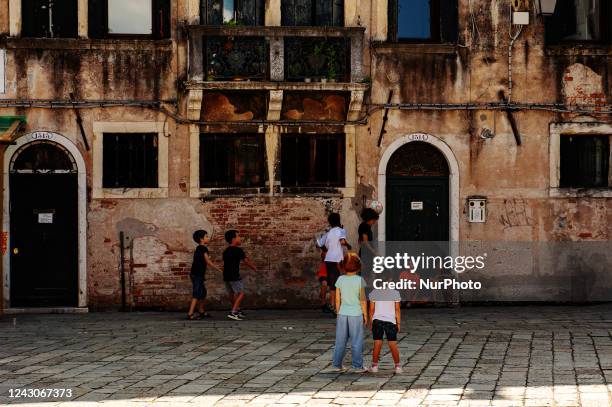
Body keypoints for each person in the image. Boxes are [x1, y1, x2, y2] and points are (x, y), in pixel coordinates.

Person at [330, 252, 367, 372]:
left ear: (343, 266)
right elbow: (362, 299)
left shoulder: (340, 279)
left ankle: (336, 365)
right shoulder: (360, 280)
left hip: (342, 313)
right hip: (356, 314)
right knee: (356, 341)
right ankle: (357, 366)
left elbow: (337, 298)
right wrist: (365, 314)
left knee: (340, 340)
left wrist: (338, 312)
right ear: (358, 266)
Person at [317, 213, 351, 315]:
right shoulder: (341, 230)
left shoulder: (328, 233)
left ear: (330, 222)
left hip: (328, 259)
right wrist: (348, 245)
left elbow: (319, 243)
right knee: (337, 283)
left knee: (332, 283)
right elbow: (342, 242)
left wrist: (326, 248)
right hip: (337, 259)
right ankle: (336, 306)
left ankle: (333, 305)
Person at [223, 230, 257, 321]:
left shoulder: (226, 251)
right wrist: (253, 267)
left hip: (226, 275)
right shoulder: (238, 250)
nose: (240, 238)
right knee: (241, 293)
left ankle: (236, 310)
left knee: (232, 293)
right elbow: (245, 261)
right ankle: (233, 312)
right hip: (234, 275)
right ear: (233, 239)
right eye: (238, 236)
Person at [187, 229, 221, 320]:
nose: (208, 238)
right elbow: (208, 261)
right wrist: (219, 269)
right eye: (206, 236)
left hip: (197, 274)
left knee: (203, 293)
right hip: (197, 274)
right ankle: (190, 313)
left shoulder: (199, 248)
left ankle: (201, 310)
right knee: (197, 293)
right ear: (201, 239)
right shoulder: (203, 248)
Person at [368, 285, 402, 373]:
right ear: (390, 280)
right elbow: (397, 309)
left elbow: (371, 309)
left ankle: (374, 366)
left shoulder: (374, 292)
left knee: (377, 343)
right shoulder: (395, 293)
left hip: (377, 320)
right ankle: (398, 366)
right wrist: (398, 323)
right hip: (391, 321)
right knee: (393, 344)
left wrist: (371, 322)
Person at [316, 248, 332, 313]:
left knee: (334, 286)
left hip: (333, 271)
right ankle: (323, 304)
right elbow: (323, 257)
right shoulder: (325, 249)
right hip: (324, 272)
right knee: (324, 283)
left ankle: (332, 305)